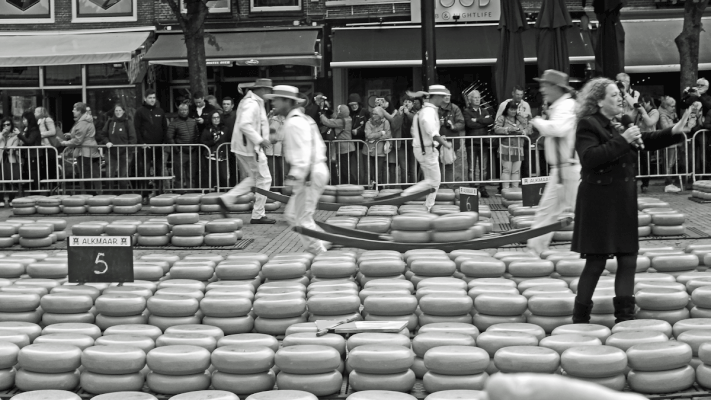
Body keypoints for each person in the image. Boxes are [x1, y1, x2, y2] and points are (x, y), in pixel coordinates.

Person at [571, 77, 691, 325]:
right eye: (614, 95)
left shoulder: (619, 123)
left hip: (622, 200)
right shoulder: (587, 124)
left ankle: (625, 317)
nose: (620, 98)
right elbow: (590, 158)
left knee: (628, 259)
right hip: (598, 202)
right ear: (599, 100)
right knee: (596, 262)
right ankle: (580, 317)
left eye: (620, 94)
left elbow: (644, 140)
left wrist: (673, 132)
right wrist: (623, 139)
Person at [268, 85, 329, 255]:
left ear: (287, 101)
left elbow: (302, 156)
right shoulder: (303, 119)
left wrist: (292, 178)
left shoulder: (294, 123)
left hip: (309, 173)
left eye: (277, 99)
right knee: (292, 216)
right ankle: (323, 242)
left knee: (302, 219)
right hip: (313, 170)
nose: (273, 102)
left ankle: (322, 256)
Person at [526, 70, 580, 256]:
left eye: (545, 85)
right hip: (562, 170)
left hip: (569, 170)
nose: (542, 89)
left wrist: (539, 122)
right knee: (546, 212)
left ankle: (602, 250)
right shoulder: (559, 105)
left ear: (556, 87)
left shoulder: (566, 106)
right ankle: (534, 252)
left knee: (582, 212)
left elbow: (558, 129)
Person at [217, 78, 275, 225]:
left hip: (247, 146)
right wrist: (260, 140)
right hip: (250, 147)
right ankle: (258, 214)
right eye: (268, 90)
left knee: (256, 178)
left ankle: (227, 199)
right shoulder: (252, 103)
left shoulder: (251, 102)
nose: (269, 93)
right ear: (261, 90)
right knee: (265, 178)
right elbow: (245, 124)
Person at [402, 85, 453, 211]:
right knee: (434, 180)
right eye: (442, 97)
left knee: (432, 180)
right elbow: (432, 132)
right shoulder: (428, 112)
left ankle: (426, 205)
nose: (444, 100)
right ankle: (411, 197)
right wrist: (445, 144)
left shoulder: (425, 111)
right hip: (426, 150)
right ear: (436, 97)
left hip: (423, 148)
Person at [134, 89, 168, 199]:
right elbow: (137, 129)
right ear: (145, 98)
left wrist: (164, 142)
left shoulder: (160, 111)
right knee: (145, 171)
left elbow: (164, 128)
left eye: (154, 97)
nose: (152, 100)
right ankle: (144, 194)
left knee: (159, 170)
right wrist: (141, 143)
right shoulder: (140, 111)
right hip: (145, 147)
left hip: (158, 146)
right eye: (150, 98)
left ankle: (159, 193)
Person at [61, 103, 101, 195]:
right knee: (87, 174)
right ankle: (91, 194)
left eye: (74, 109)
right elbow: (82, 134)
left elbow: (78, 140)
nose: (72, 111)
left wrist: (64, 143)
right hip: (87, 150)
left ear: (79, 111)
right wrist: (70, 135)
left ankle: (90, 195)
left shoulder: (82, 122)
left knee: (85, 175)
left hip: (85, 152)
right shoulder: (83, 121)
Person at [97, 104, 137, 192]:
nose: (118, 112)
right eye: (116, 111)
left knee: (122, 176)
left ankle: (122, 197)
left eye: (120, 110)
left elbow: (133, 138)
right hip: (111, 153)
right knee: (109, 175)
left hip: (124, 153)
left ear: (123, 111)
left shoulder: (128, 122)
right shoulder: (110, 122)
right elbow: (103, 134)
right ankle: (109, 196)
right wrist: (107, 142)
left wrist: (128, 149)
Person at [464, 90, 494, 197]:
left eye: (479, 97)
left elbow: (490, 120)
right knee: (471, 168)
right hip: (471, 143)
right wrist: (482, 121)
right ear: (470, 99)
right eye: (475, 97)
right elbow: (469, 124)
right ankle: (472, 189)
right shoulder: (466, 111)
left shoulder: (484, 110)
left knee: (484, 168)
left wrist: (476, 120)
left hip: (483, 142)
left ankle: (482, 187)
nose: (477, 99)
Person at [166, 102, 199, 190]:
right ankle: (179, 193)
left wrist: (195, 146)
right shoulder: (174, 123)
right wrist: (177, 150)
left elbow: (197, 135)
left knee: (191, 175)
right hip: (180, 152)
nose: (184, 112)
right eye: (182, 110)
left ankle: (191, 194)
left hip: (192, 151)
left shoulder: (193, 122)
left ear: (188, 111)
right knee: (179, 175)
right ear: (179, 111)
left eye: (185, 110)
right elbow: (170, 137)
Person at [494, 101, 527, 189]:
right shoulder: (502, 118)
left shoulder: (520, 118)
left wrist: (524, 131)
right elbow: (496, 129)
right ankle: (505, 191)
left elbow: (528, 126)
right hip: (506, 147)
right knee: (506, 170)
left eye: (515, 109)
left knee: (516, 171)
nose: (513, 111)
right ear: (507, 109)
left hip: (518, 147)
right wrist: (508, 129)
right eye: (511, 109)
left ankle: (515, 191)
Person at [632, 94, 660, 193]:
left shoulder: (655, 112)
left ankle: (645, 184)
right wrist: (636, 111)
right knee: (634, 162)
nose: (641, 105)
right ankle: (633, 183)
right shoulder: (640, 112)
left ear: (648, 102)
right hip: (638, 138)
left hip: (649, 139)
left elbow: (649, 123)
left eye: (643, 102)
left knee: (645, 163)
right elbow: (632, 121)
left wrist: (643, 111)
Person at [320, 105, 354, 185]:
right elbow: (336, 118)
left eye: (338, 111)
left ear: (341, 112)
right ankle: (343, 186)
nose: (337, 112)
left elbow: (328, 122)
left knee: (345, 171)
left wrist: (321, 114)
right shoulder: (347, 119)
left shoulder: (341, 122)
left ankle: (353, 185)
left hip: (344, 149)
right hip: (347, 148)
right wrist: (330, 111)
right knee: (343, 170)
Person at [439, 94, 466, 188]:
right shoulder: (435, 108)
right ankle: (438, 188)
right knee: (436, 165)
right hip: (436, 140)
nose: (447, 97)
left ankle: (449, 188)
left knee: (449, 164)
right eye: (445, 96)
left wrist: (453, 126)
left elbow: (461, 123)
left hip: (451, 140)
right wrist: (439, 123)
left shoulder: (455, 108)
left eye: (449, 96)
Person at [658, 96, 684, 193]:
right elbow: (665, 127)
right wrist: (678, 125)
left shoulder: (673, 114)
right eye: (672, 106)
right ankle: (668, 183)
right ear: (666, 106)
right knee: (668, 163)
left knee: (672, 162)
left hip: (674, 142)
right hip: (667, 142)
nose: (674, 108)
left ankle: (671, 181)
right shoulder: (662, 115)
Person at [200, 110, 229, 190]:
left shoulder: (225, 129)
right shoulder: (207, 130)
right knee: (213, 177)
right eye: (214, 118)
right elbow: (202, 142)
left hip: (223, 156)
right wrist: (213, 141)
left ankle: (224, 192)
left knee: (224, 177)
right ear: (211, 119)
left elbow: (228, 140)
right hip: (211, 157)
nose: (216, 119)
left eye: (218, 117)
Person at [362, 108, 391, 186]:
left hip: (380, 151)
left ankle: (378, 189)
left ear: (380, 115)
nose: (373, 115)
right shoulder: (368, 123)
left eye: (375, 114)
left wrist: (375, 137)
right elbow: (368, 135)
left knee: (378, 172)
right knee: (368, 172)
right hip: (368, 151)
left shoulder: (386, 122)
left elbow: (388, 135)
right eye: (372, 113)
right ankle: (367, 189)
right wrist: (380, 133)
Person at [348, 93, 370, 184]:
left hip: (362, 143)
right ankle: (354, 182)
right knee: (353, 165)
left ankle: (362, 184)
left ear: (359, 103)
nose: (353, 107)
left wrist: (359, 132)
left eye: (355, 104)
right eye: (351, 105)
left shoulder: (365, 112)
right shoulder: (349, 114)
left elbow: (368, 125)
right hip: (351, 143)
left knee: (361, 165)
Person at [0, 118, 20, 204]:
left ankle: (12, 199)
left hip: (10, 158)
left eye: (8, 124)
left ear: (11, 125)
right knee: (0, 180)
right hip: (1, 159)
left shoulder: (15, 136)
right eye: (4, 125)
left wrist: (8, 148)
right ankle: (1, 200)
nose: (6, 126)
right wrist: (2, 135)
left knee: (12, 179)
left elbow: (15, 146)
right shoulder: (0, 134)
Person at [267, 110, 286, 189]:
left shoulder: (288, 119)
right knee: (273, 173)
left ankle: (283, 191)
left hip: (283, 149)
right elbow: (267, 130)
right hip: (271, 150)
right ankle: (274, 191)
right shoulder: (272, 118)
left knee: (283, 172)